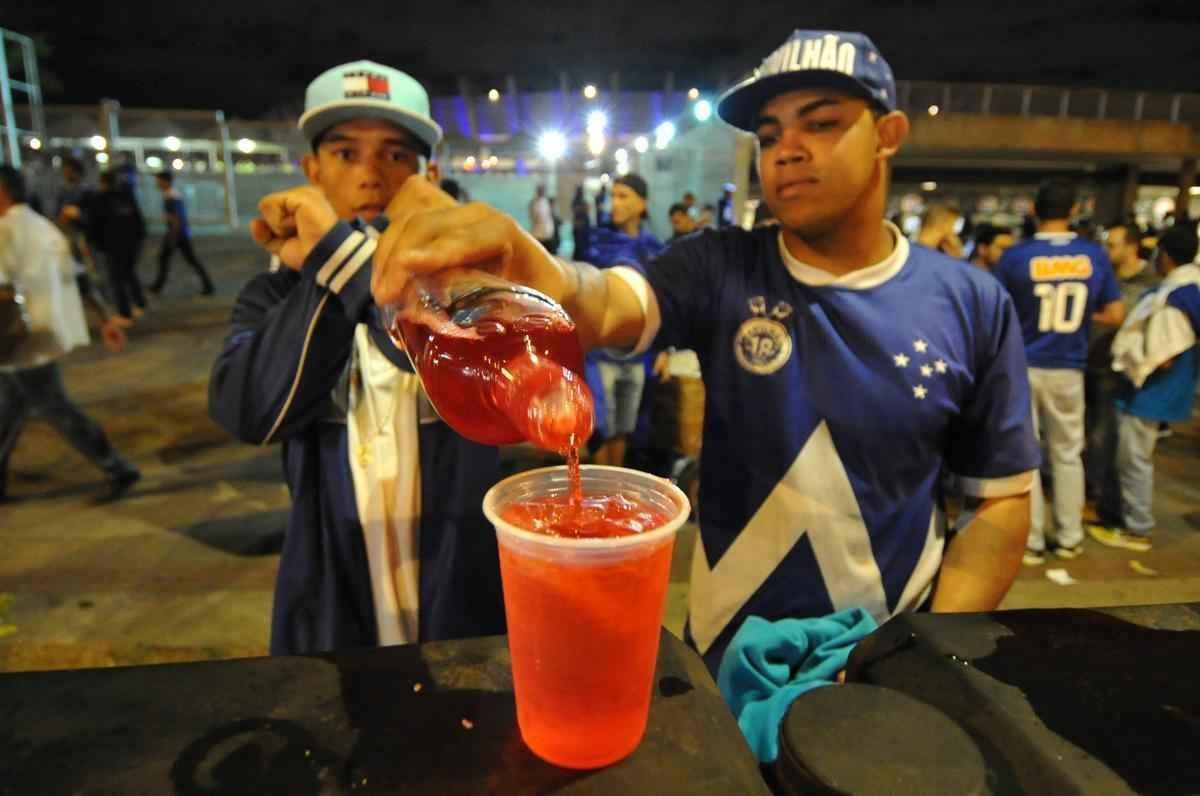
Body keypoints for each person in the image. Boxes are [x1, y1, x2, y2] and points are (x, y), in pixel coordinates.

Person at [363, 30, 1041, 672]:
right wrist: (544, 272)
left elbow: (999, 501)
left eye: (821, 123)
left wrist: (925, 659)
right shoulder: (719, 266)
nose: (787, 150)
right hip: (724, 660)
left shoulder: (971, 301)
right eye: (769, 135)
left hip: (882, 662)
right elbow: (610, 301)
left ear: (888, 133)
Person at [209, 60, 505, 655]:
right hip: (332, 589)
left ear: (430, 177)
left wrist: (338, 258)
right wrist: (331, 269)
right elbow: (248, 411)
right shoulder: (274, 294)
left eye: (396, 155)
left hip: (461, 578)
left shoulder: (474, 288)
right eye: (346, 154)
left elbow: (491, 389)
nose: (371, 176)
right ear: (311, 172)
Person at [993, 179, 1125, 565]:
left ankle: (1032, 540)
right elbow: (1115, 313)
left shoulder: (1016, 257)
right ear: (1073, 211)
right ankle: (1069, 537)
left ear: (1035, 211)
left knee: (1026, 455)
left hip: (1023, 367)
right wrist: (1082, 320)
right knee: (1068, 455)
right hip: (1069, 367)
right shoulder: (1093, 255)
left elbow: (995, 313)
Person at [0, 166, 139, 503]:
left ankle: (116, 466)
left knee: (54, 408)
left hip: (18, 340)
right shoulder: (45, 227)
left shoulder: (5, 231)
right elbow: (79, 277)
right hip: (43, 335)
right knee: (12, 409)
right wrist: (105, 318)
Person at [1089, 224, 1200, 552]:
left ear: (1164, 255)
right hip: (1160, 387)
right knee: (1132, 454)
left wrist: (1133, 367)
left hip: (1150, 388)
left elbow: (1162, 352)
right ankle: (1125, 517)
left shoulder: (1174, 295)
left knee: (1134, 457)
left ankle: (1137, 528)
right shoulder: (1189, 287)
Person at [580, 172, 664, 466]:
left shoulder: (655, 249)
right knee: (600, 427)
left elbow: (664, 301)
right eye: (612, 196)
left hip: (639, 355)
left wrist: (665, 349)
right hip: (600, 353)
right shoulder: (597, 244)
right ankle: (600, 486)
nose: (614, 203)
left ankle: (614, 484)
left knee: (625, 427)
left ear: (642, 204)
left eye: (623, 196)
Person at [1085, 222, 1157, 525]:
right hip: (1091, 361)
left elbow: (1123, 318)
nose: (1106, 250)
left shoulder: (1148, 283)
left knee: (1107, 437)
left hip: (1116, 370)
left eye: (1112, 245)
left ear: (1131, 247)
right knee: (1092, 434)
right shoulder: (1105, 275)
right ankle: (1094, 492)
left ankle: (1109, 503)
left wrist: (1086, 313)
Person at [87, 171, 148, 326]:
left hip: (114, 245)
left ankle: (125, 313)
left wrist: (96, 242)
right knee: (129, 273)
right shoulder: (126, 196)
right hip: (131, 243)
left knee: (117, 279)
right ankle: (139, 303)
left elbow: (94, 224)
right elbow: (138, 221)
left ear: (103, 183)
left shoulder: (101, 199)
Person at [149, 171, 215, 296]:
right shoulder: (171, 195)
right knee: (178, 259)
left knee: (175, 259)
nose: (157, 184)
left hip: (177, 234)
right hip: (179, 233)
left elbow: (177, 218)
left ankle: (158, 286)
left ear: (165, 182)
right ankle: (157, 286)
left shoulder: (171, 197)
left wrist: (172, 235)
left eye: (159, 181)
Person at [528, 184, 555, 251]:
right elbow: (534, 218)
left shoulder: (546, 201)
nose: (542, 191)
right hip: (538, 235)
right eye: (541, 190)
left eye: (543, 190)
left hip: (548, 234)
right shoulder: (534, 203)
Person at [571, 185, 591, 257]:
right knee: (578, 245)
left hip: (583, 226)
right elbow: (575, 210)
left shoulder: (583, 200)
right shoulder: (576, 201)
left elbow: (587, 210)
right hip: (578, 226)